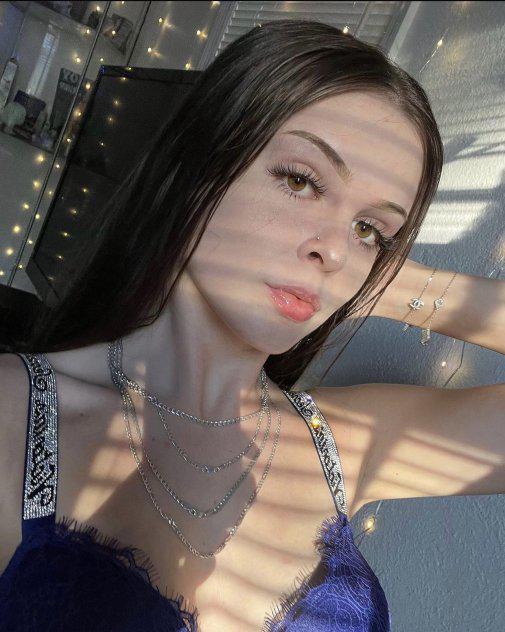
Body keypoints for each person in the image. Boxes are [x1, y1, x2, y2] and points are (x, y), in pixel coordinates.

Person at [0, 18, 504, 632]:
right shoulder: (15, 415)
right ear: (199, 165)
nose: (335, 250)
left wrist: (395, 286)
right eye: (300, 181)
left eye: (370, 229)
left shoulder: (349, 445)